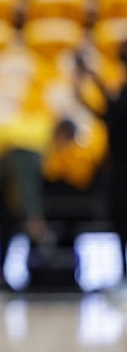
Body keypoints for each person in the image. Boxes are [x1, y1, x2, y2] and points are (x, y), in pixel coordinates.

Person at [73, 43, 127, 276]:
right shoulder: (120, 88)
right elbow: (107, 114)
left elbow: (114, 110)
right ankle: (123, 268)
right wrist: (85, 89)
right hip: (118, 166)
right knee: (119, 219)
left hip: (121, 166)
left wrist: (95, 78)